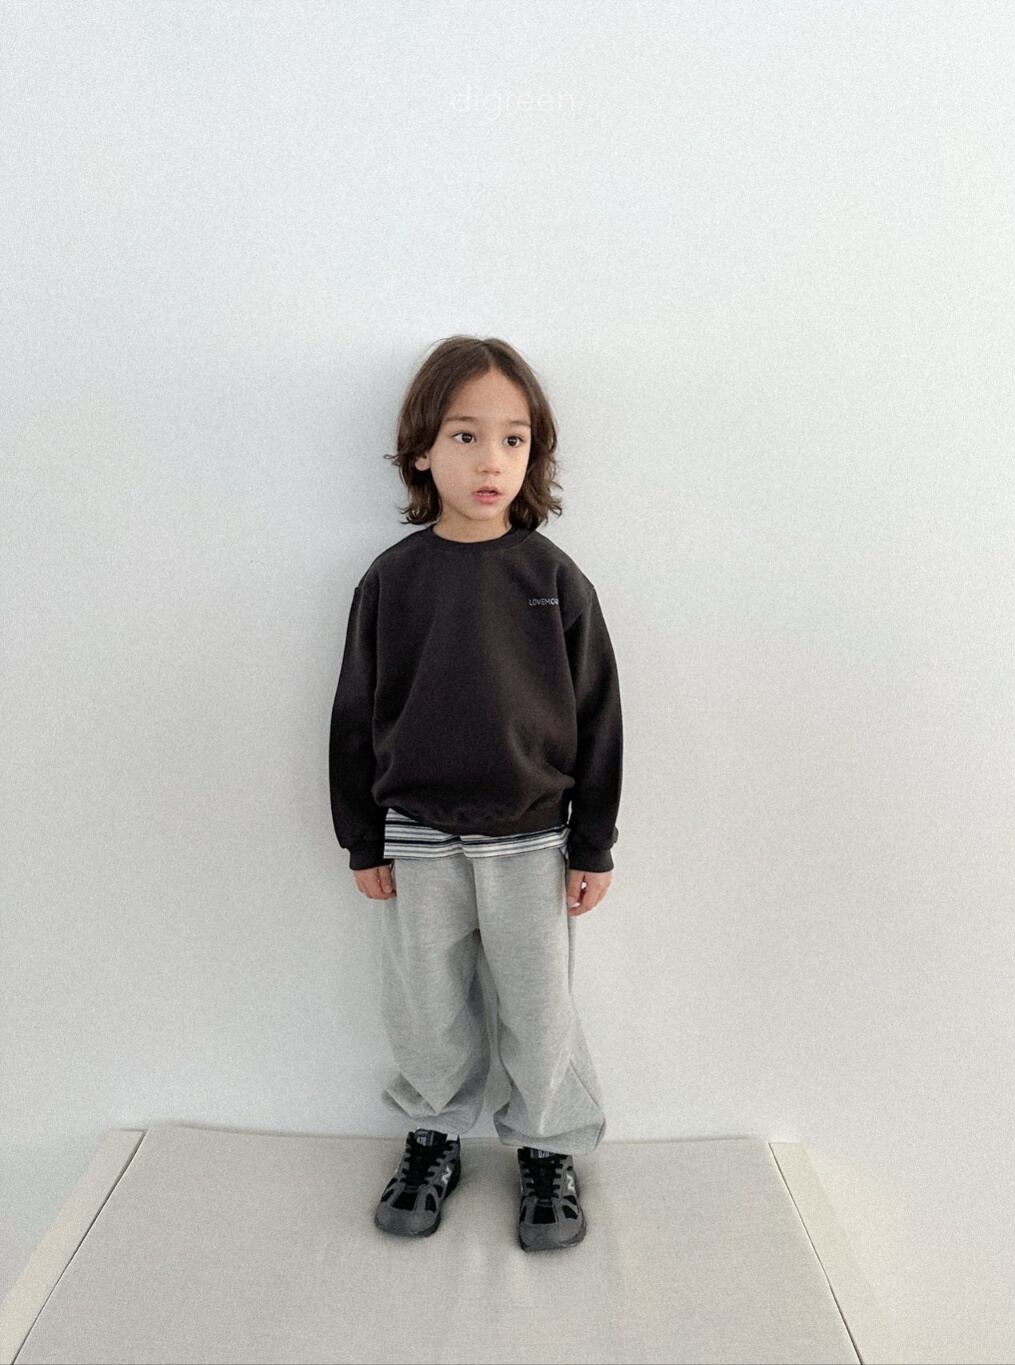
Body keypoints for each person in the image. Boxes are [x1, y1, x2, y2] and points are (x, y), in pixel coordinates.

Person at [328, 335, 623, 1252]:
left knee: (538, 1006)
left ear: (535, 453)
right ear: (422, 450)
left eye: (513, 439)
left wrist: (593, 841)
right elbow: (355, 712)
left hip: (531, 840)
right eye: (465, 436)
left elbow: (598, 712)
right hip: (417, 840)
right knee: (424, 1001)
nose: (490, 460)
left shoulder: (554, 579)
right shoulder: (393, 580)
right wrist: (362, 837)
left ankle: (547, 1146)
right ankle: (433, 1133)